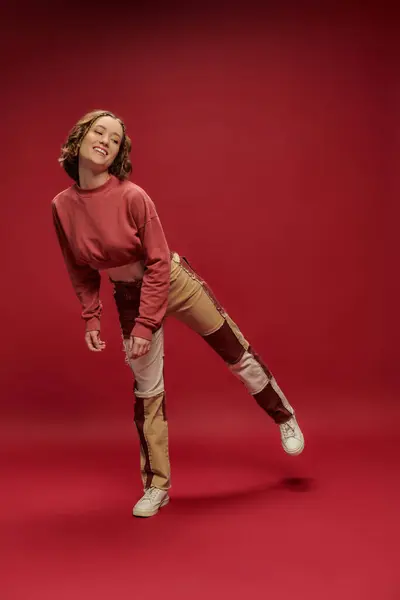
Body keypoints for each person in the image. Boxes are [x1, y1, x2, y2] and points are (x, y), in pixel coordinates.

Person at [52, 109, 305, 518]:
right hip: (128, 296)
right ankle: (157, 487)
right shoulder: (62, 207)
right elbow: (78, 267)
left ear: (118, 153)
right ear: (79, 138)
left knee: (235, 353)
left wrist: (146, 324)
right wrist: (92, 315)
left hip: (171, 281)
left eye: (114, 139)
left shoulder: (134, 196)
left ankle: (284, 417)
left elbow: (155, 262)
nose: (105, 141)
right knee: (148, 391)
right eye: (99, 132)